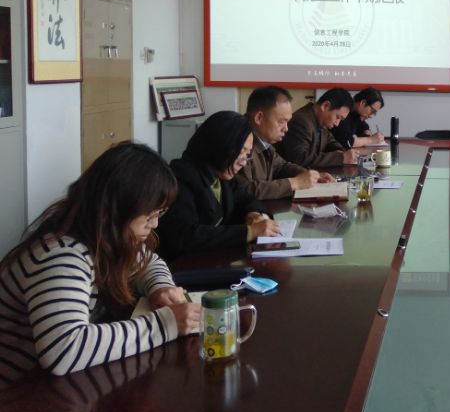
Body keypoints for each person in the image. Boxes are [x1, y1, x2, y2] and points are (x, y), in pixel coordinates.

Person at [0, 142, 200, 384]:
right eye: (149, 215)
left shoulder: (102, 237)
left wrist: (161, 287)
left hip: (54, 385)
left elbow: (148, 262)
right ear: (118, 207)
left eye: (159, 214)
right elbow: (65, 349)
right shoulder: (61, 255)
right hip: (17, 393)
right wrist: (167, 324)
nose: (155, 224)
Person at [158, 111, 280, 260]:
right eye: (241, 152)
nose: (243, 162)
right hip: (182, 266)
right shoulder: (181, 178)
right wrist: (250, 232)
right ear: (221, 146)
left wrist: (254, 214)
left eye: (247, 154)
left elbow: (247, 199)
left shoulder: (221, 175)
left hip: (212, 260)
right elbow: (186, 236)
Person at [236, 85, 335, 200]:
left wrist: (310, 175)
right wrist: (295, 183)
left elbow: (281, 166)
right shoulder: (239, 142)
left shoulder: (263, 140)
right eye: (281, 122)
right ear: (259, 118)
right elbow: (245, 190)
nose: (286, 128)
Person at [276, 87, 359, 168]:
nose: (337, 124)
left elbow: (331, 142)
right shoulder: (301, 121)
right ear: (325, 106)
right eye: (338, 117)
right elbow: (300, 159)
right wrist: (341, 158)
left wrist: (343, 153)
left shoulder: (321, 121)